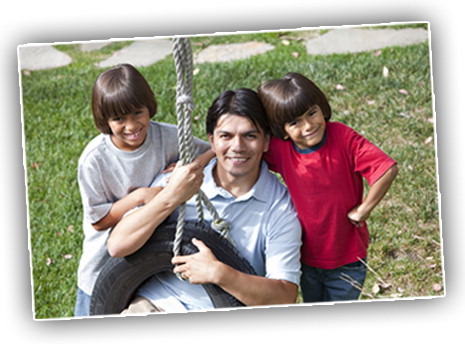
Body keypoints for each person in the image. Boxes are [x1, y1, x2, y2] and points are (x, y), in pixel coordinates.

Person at [107, 88, 302, 312]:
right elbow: (117, 245)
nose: (237, 147)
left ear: (266, 141)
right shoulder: (180, 181)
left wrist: (219, 273)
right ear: (212, 140)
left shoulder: (279, 208)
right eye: (226, 136)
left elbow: (285, 295)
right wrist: (171, 196)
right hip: (156, 304)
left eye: (250, 135)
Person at [75, 63, 211, 316]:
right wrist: (139, 197)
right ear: (104, 120)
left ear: (149, 107)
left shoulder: (167, 137)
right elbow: (98, 221)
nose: (131, 126)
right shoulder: (94, 159)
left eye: (138, 113)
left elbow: (210, 150)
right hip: (102, 265)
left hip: (148, 258)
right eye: (119, 119)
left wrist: (188, 163)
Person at [257, 72, 398, 302]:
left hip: (347, 257)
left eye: (312, 113)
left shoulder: (342, 137)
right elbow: (246, 152)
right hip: (304, 257)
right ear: (281, 130)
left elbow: (386, 169)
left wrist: (364, 209)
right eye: (295, 122)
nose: (309, 125)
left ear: (322, 107)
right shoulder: (280, 150)